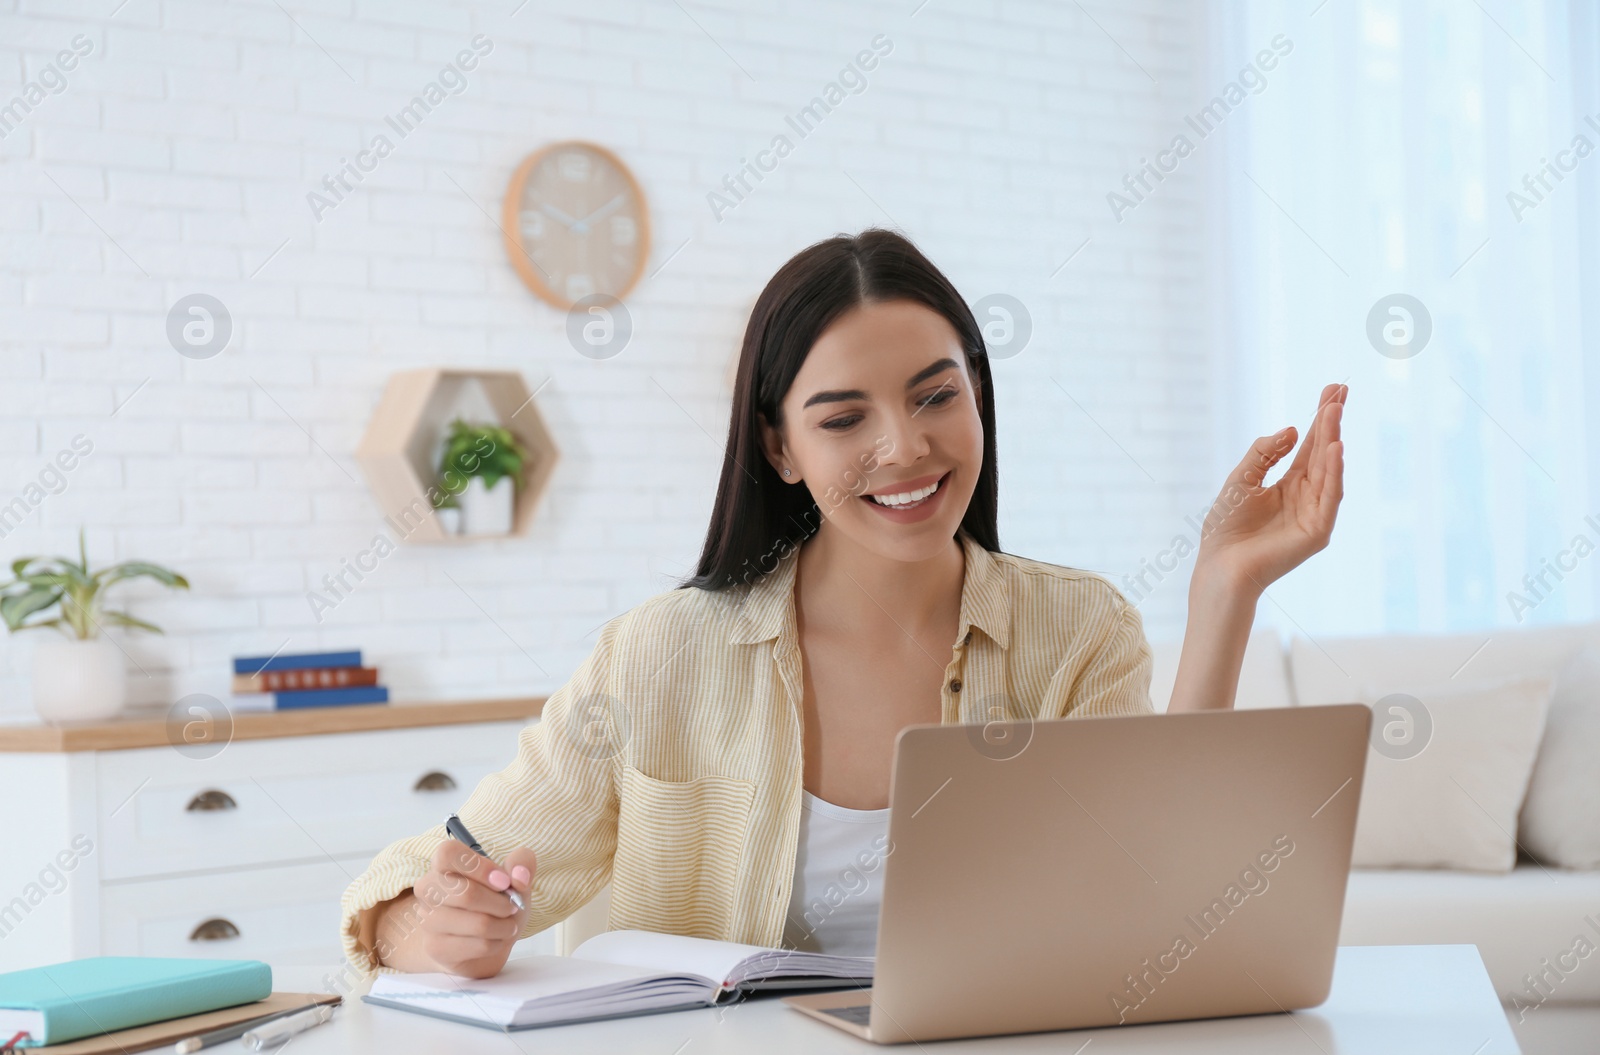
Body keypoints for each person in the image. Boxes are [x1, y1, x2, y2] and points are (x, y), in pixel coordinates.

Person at [339, 228, 1346, 977]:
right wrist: (424, 923)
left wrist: (1222, 597)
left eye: (935, 394)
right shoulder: (660, 655)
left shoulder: (1076, 631)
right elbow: (440, 870)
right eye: (842, 416)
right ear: (779, 446)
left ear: (978, 398)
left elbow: (1154, 899)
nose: (904, 446)